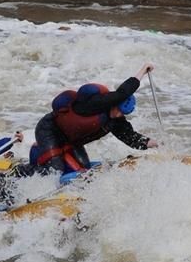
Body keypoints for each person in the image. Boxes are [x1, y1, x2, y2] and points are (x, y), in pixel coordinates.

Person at [29, 63, 159, 178]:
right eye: (118, 109)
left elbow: (131, 138)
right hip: (49, 130)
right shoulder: (94, 104)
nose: (119, 114)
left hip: (70, 140)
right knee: (55, 170)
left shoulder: (116, 121)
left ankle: (46, 155)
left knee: (84, 167)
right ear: (113, 103)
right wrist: (143, 69)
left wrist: (153, 143)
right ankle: (21, 171)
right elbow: (123, 92)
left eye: (123, 113)